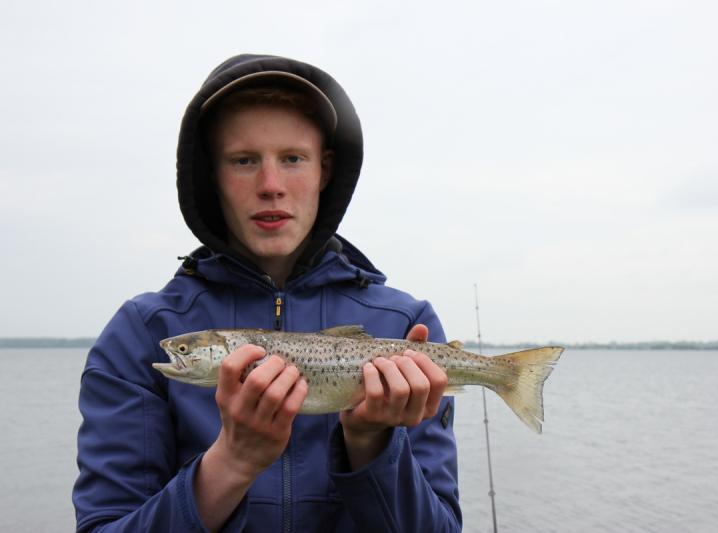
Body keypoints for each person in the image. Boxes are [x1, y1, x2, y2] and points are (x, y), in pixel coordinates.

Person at [72, 54, 462, 532]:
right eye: (243, 161)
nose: (271, 186)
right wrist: (231, 464)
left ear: (326, 170)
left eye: (292, 159)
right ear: (211, 175)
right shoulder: (141, 333)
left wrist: (371, 442)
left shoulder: (405, 324)